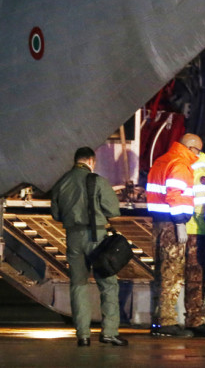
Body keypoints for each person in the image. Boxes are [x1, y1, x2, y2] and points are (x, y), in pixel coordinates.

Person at [49, 146, 128, 347]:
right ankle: (109, 332)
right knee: (108, 284)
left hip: (73, 238)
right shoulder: (98, 181)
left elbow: (56, 214)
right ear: (91, 162)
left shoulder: (62, 182)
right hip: (97, 237)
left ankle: (82, 335)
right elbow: (113, 210)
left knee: (78, 285)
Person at [146, 133, 202, 337]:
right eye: (198, 151)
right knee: (172, 273)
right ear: (192, 148)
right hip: (172, 223)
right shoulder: (180, 164)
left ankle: (157, 321)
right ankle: (168, 323)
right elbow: (173, 195)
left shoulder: (161, 160)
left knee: (160, 273)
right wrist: (180, 222)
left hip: (159, 223)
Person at [184, 141, 205, 333]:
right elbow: (200, 204)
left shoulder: (199, 165)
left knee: (197, 276)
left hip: (195, 228)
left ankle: (197, 318)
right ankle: (196, 321)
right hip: (198, 229)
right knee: (197, 276)